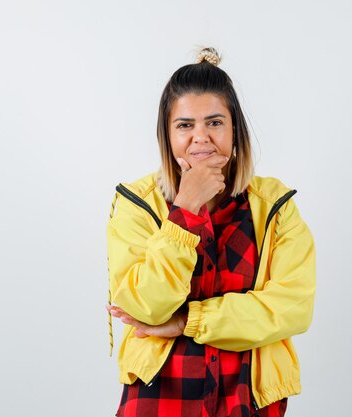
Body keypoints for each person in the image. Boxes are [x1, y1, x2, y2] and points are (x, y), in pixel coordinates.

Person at [106, 47, 316, 417]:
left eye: (215, 122)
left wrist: (187, 322)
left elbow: (291, 309)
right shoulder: (136, 204)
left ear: (235, 129)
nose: (200, 138)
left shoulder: (275, 207)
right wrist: (184, 209)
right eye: (185, 125)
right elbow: (144, 307)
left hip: (247, 400)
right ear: (166, 136)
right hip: (159, 399)